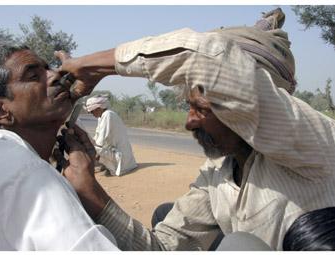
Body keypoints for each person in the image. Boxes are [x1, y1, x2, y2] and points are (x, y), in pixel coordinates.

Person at [54, 8, 335, 251]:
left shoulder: (313, 141)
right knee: (166, 215)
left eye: (203, 108)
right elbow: (161, 247)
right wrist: (90, 191)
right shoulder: (217, 173)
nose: (190, 122)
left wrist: (93, 66)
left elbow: (209, 58)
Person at [0, 40, 118, 251]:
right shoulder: (29, 174)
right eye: (33, 76)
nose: (56, 75)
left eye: (48, 68)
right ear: (0, 110)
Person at [79, 95, 137, 176]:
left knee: (92, 149)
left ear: (99, 108)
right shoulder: (102, 116)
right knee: (94, 147)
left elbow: (100, 141)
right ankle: (106, 165)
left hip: (121, 158)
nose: (91, 114)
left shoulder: (107, 115)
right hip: (120, 155)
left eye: (92, 111)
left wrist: (87, 144)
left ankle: (106, 166)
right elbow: (98, 136)